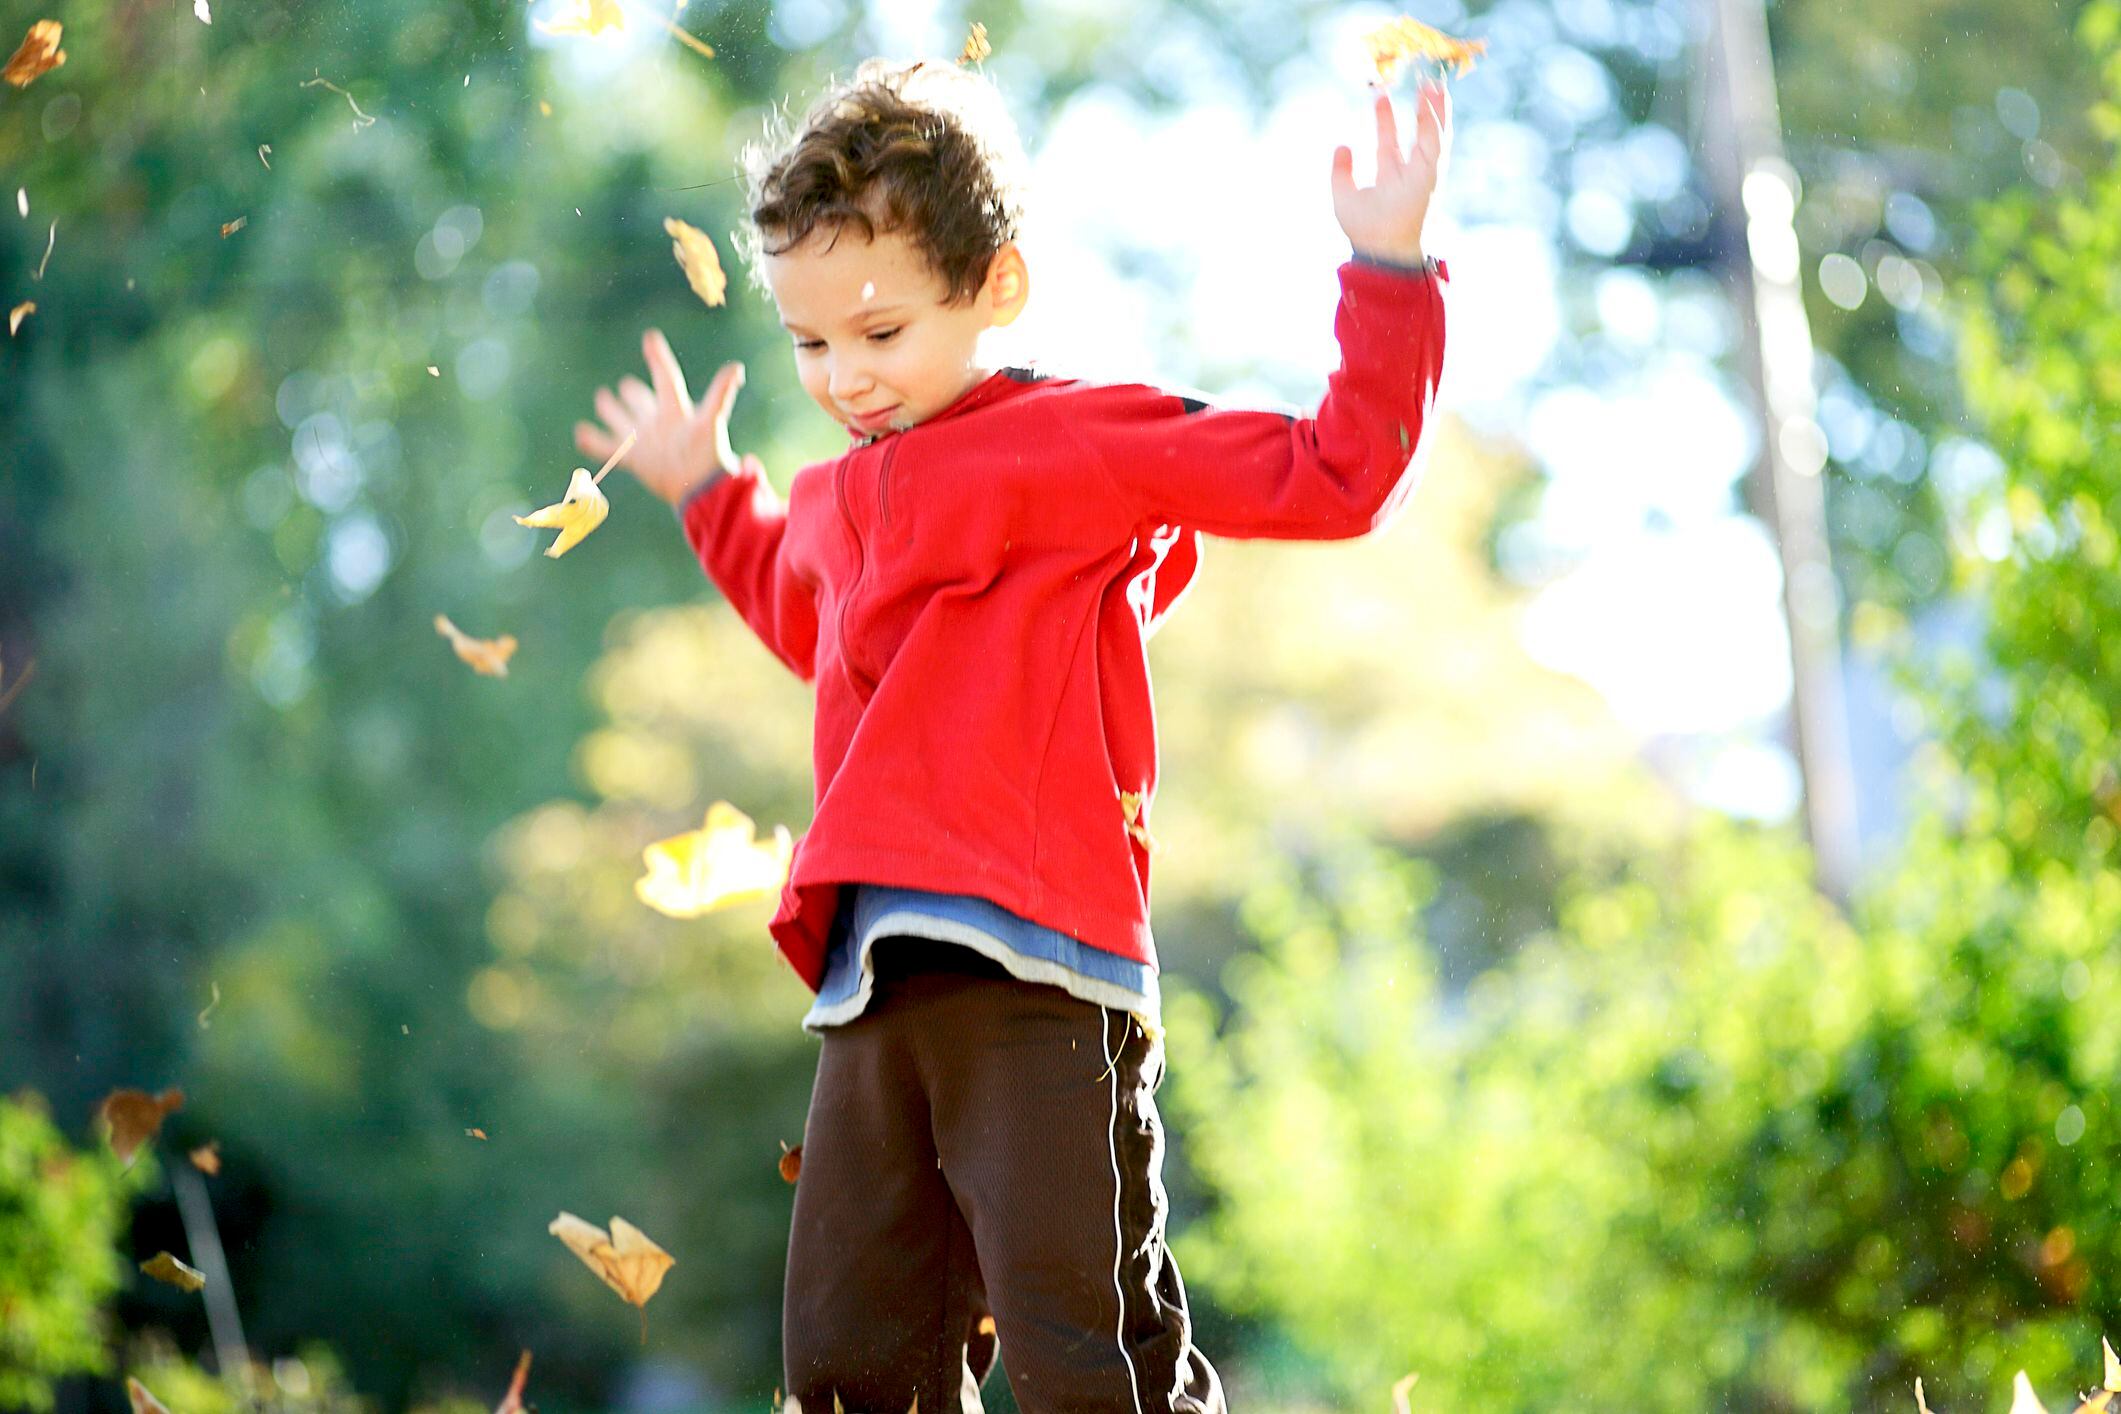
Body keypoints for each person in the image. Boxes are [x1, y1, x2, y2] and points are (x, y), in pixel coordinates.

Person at [573, 53, 1450, 1414]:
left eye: (880, 333)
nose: (846, 376)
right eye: (810, 344)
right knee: (851, 1355)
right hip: (871, 980)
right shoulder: (828, 498)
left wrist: (1386, 272)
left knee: (1075, 1350)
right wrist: (706, 493)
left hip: (1041, 972)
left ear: (995, 289)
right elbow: (815, 630)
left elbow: (1337, 473)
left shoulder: (1074, 441)